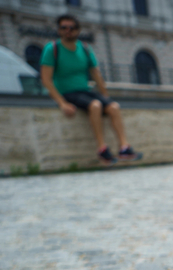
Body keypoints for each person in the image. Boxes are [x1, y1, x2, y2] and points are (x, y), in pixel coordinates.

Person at [39, 15, 143, 166]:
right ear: (59, 30)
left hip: (84, 91)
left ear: (78, 30)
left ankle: (124, 148)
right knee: (95, 105)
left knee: (114, 107)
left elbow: (96, 75)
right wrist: (62, 103)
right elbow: (46, 80)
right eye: (64, 28)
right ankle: (102, 148)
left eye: (72, 28)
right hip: (67, 92)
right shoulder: (52, 49)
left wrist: (106, 98)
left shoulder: (85, 49)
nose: (68, 31)